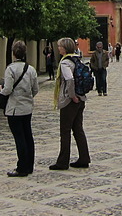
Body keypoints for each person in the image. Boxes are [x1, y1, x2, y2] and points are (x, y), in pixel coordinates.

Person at [0, 40, 40, 177]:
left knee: (19, 138)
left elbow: (8, 88)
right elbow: (35, 89)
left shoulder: (10, 69)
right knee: (28, 135)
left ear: (13, 53)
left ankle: (21, 167)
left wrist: (1, 93)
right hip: (27, 107)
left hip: (14, 108)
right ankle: (29, 165)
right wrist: (27, 96)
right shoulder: (31, 69)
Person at [50, 37, 91, 170]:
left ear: (65, 48)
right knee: (78, 129)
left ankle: (63, 161)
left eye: (60, 46)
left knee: (65, 131)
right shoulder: (77, 58)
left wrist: (72, 96)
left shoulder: (65, 62)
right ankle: (84, 158)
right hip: (81, 99)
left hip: (70, 101)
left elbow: (70, 79)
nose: (58, 48)